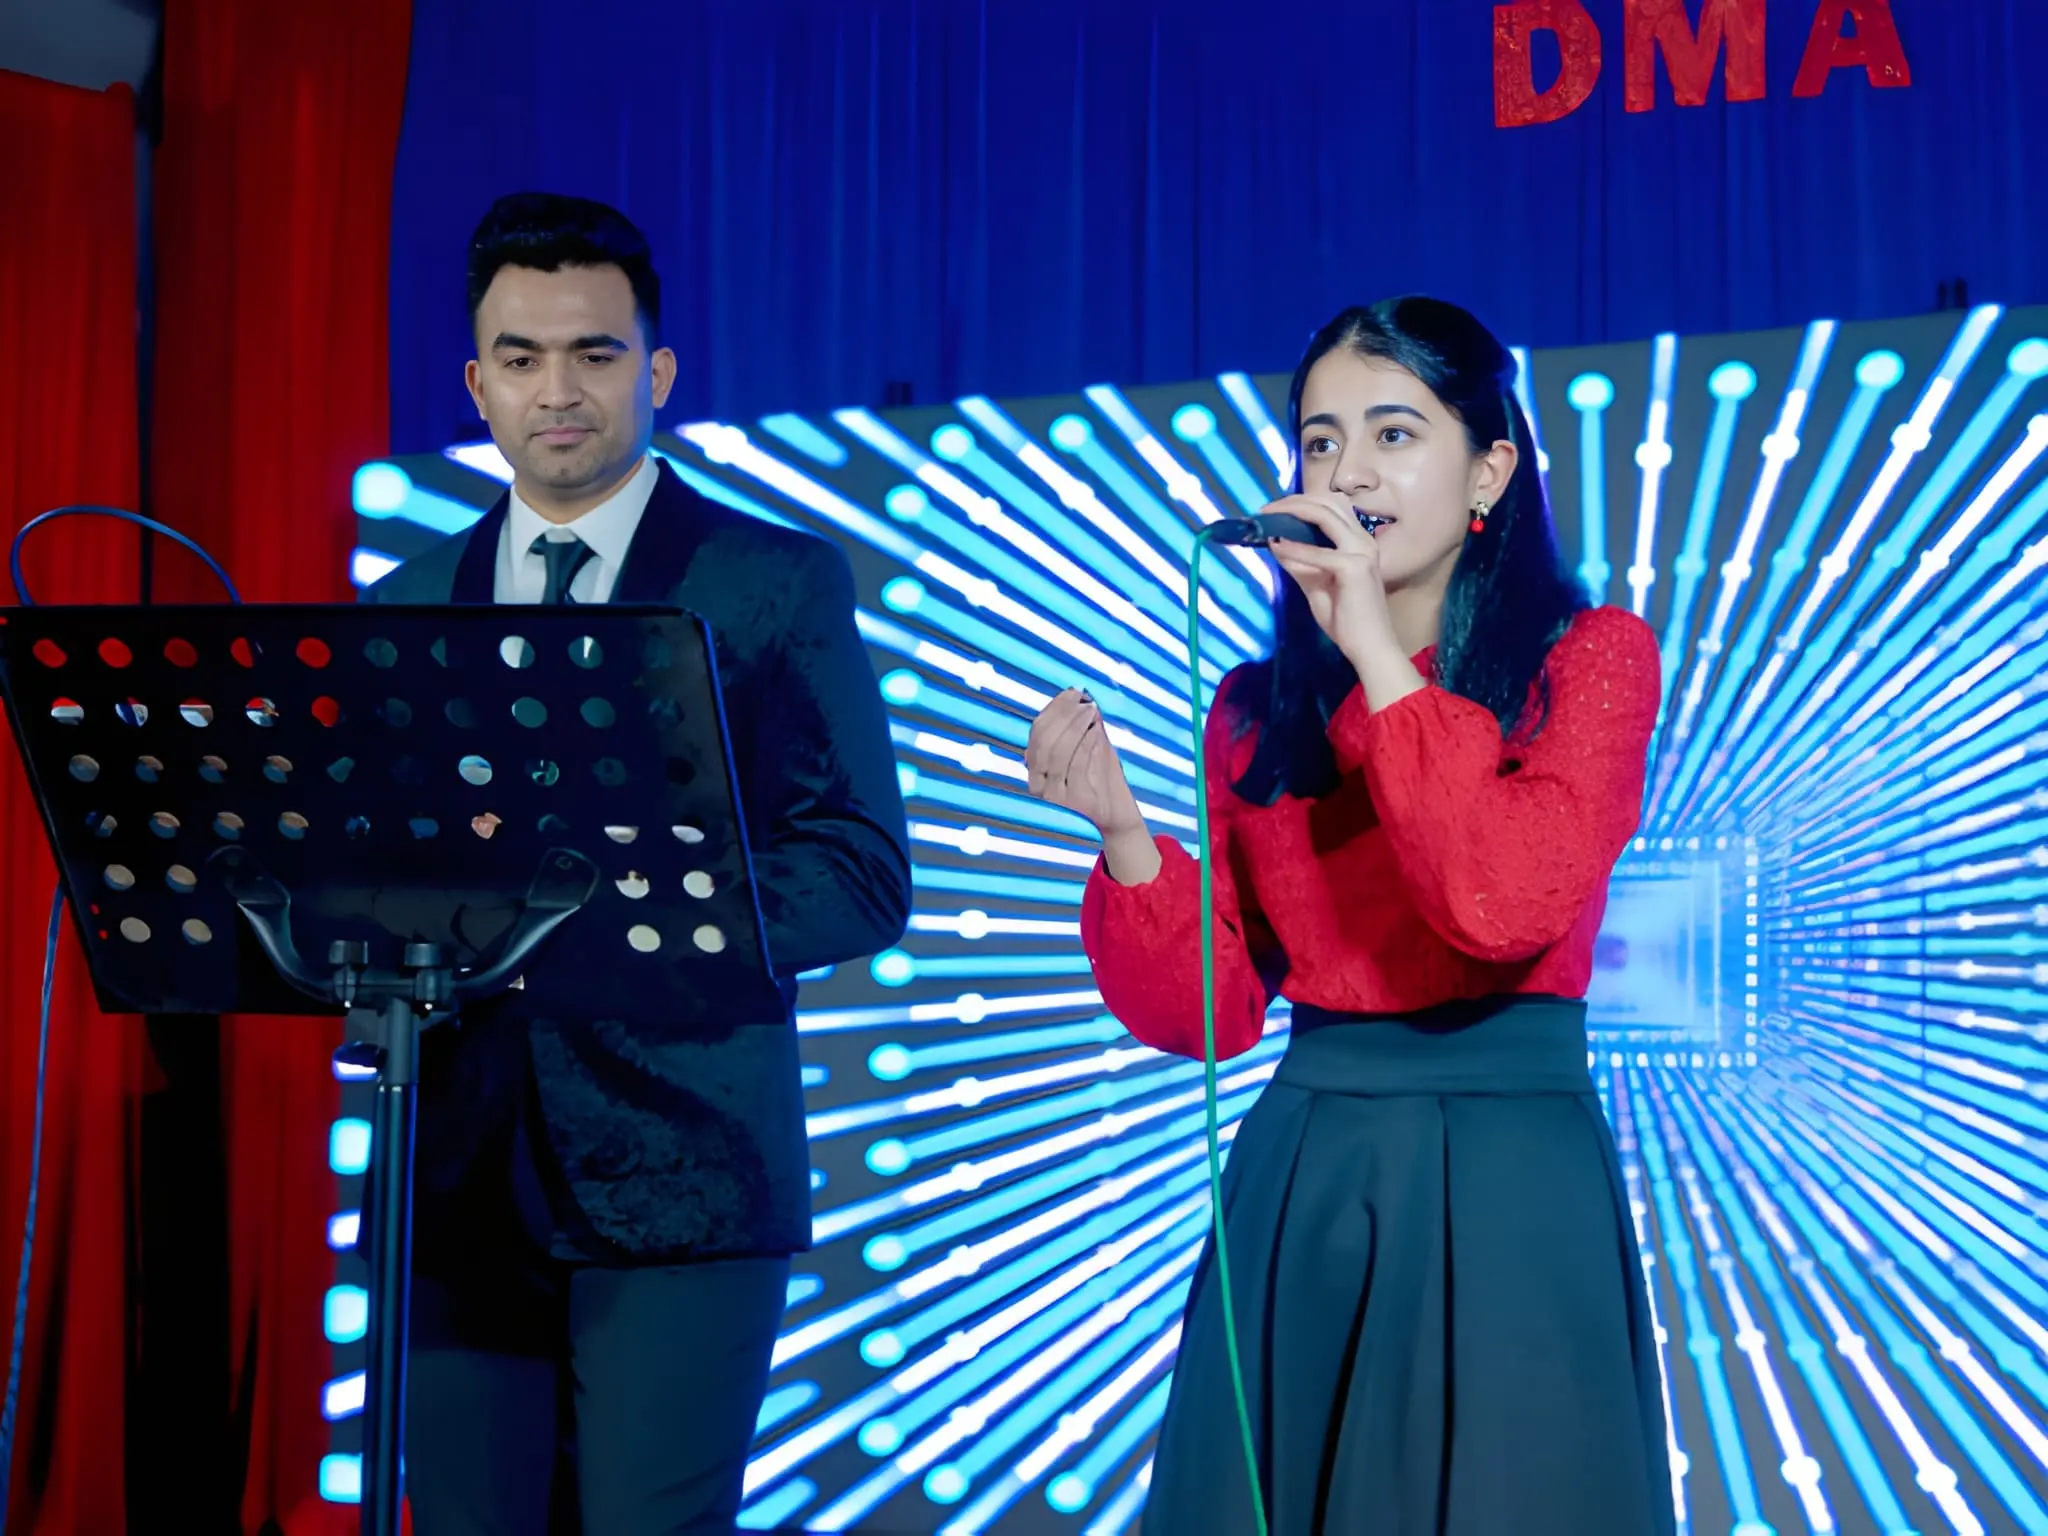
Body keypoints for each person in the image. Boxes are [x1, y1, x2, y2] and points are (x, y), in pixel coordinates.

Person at [1025, 297, 1674, 1535]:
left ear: (1488, 472)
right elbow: (1211, 1016)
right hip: (1311, 1164)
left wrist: (1376, 652)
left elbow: (1497, 902)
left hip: (1510, 1164)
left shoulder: (1587, 660)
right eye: (1319, 442)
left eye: (1392, 433)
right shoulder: (1251, 710)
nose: (1347, 472)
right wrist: (1122, 836)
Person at [362, 192, 911, 1534]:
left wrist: (621, 910)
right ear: (478, 385)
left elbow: (859, 870)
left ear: (656, 373)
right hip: (453, 1177)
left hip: (687, 1178)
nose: (557, 390)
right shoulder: (405, 604)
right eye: (522, 357)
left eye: (594, 353)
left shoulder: (770, 582)